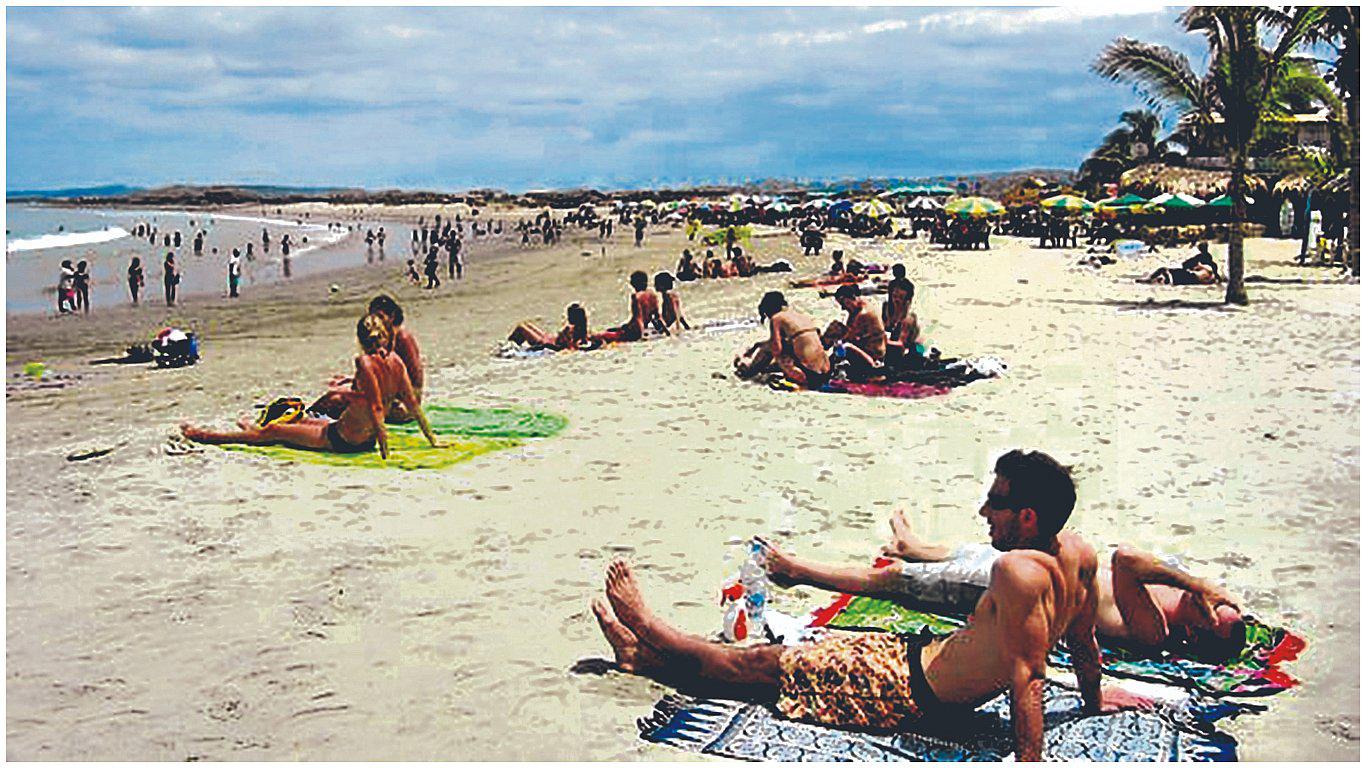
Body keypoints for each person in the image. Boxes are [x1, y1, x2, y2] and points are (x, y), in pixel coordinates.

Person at [591, 450, 1107, 761]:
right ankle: (642, 659)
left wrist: (1029, 761)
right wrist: (1091, 704)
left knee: (753, 664)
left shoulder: (1016, 572)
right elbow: (1086, 645)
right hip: (914, 659)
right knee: (789, 659)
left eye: (995, 503)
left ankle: (648, 627)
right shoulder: (1079, 552)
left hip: (907, 692)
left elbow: (1029, 680)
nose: (983, 511)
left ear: (1028, 518)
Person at [761, 504, 1245, 660]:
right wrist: (1198, 586)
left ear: (1198, 632)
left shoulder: (1154, 628)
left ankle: (798, 571)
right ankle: (915, 546)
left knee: (894, 582)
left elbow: (1126, 560)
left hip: (1016, 592)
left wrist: (1195, 582)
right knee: (973, 550)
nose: (1215, 606)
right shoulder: (1175, 593)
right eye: (1225, 607)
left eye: (1215, 616)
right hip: (1036, 565)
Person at [182, 313, 439, 458]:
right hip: (356, 435)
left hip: (344, 439)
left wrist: (385, 451)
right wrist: (432, 441)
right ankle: (249, 427)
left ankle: (205, 436)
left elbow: (374, 407)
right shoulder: (395, 362)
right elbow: (413, 405)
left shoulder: (364, 363)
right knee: (302, 419)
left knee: (272, 431)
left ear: (361, 340)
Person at [310, 295, 425, 422]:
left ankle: (307, 417)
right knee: (338, 392)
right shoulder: (386, 338)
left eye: (381, 317)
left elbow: (415, 381)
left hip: (402, 405)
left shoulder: (402, 337)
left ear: (391, 316)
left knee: (335, 398)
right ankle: (310, 415)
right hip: (394, 398)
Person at [734, 291, 832, 388]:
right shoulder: (800, 316)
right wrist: (757, 346)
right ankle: (751, 365)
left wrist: (759, 351)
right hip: (827, 373)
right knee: (778, 351)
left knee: (770, 350)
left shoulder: (776, 318)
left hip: (808, 376)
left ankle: (747, 370)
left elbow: (776, 349)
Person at [824, 283, 886, 380]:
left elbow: (848, 338)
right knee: (836, 329)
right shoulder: (858, 307)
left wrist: (832, 336)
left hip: (873, 359)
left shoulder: (863, 314)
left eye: (843, 304)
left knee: (844, 347)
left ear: (851, 298)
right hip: (866, 350)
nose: (843, 308)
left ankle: (835, 373)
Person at [594, 271, 666, 343]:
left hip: (636, 329)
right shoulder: (652, 295)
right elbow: (657, 316)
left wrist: (640, 334)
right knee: (614, 329)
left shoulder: (636, 297)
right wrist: (665, 330)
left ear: (634, 283)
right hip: (644, 327)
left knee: (600, 336)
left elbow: (638, 318)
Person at [507, 303, 595, 351]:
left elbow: (568, 346)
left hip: (547, 343)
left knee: (521, 327)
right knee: (526, 325)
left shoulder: (571, 329)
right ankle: (514, 346)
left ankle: (510, 348)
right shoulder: (583, 328)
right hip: (550, 339)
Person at [1140, 242, 1220, 286]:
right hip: (1192, 278)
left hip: (1191, 275)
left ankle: (1149, 279)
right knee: (1167, 275)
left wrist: (1196, 267)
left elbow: (1185, 265)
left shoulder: (1200, 261)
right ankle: (1160, 279)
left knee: (1163, 269)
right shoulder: (1212, 266)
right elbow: (1216, 277)